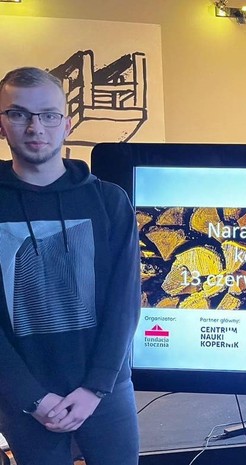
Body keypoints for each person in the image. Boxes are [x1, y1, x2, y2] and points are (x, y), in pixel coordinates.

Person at [0, 67, 141, 464]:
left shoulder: (109, 201)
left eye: (48, 115)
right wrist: (31, 397)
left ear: (67, 123)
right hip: (23, 396)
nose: (35, 127)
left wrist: (96, 388)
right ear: (2, 124)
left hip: (105, 389)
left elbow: (125, 304)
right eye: (19, 114)